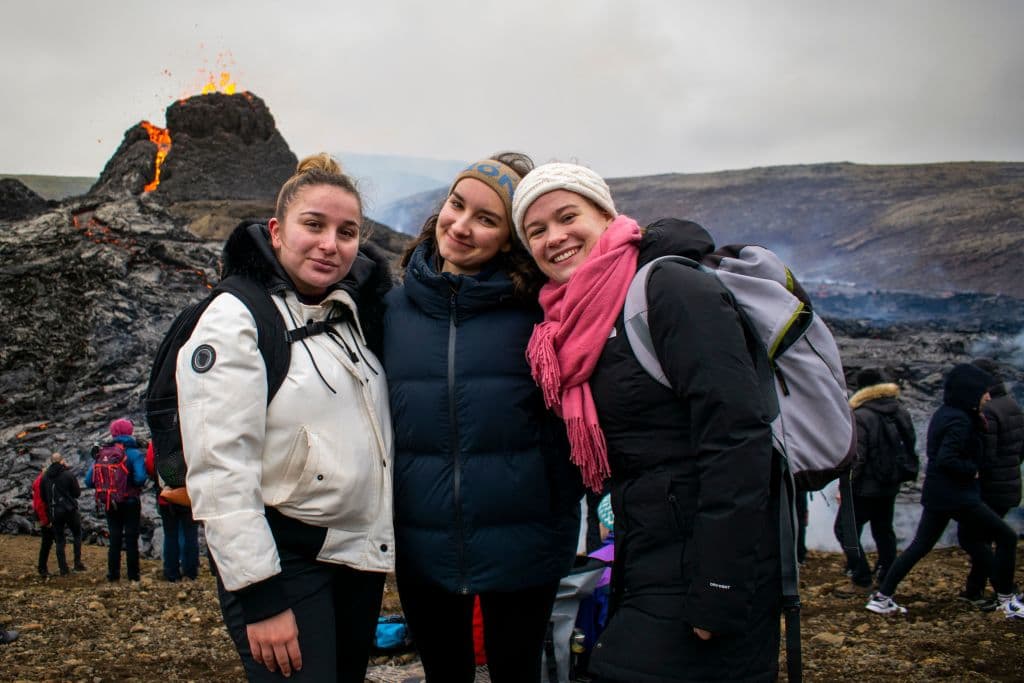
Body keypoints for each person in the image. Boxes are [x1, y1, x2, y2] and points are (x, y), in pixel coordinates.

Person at [512, 162, 781, 682]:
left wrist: (720, 585)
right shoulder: (571, 319)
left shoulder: (667, 288)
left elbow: (737, 436)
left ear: (606, 215)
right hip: (645, 557)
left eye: (567, 217)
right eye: (536, 231)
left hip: (707, 565)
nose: (554, 238)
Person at [177, 153, 395, 682]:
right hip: (285, 564)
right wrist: (259, 597)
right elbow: (220, 467)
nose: (330, 244)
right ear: (276, 231)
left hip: (354, 559)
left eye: (346, 232)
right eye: (313, 225)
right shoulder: (236, 319)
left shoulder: (349, 314)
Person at [382, 153, 582, 683]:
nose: (461, 226)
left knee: (517, 673)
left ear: (510, 240)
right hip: (423, 544)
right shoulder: (392, 311)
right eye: (457, 204)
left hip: (526, 545)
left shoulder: (542, 314)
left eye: (487, 219)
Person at [866, 363, 1023, 618]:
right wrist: (973, 470)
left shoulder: (947, 413)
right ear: (970, 392)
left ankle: (882, 597)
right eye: (983, 392)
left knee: (921, 545)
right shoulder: (960, 420)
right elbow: (946, 458)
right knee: (1006, 537)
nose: (987, 396)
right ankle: (1007, 600)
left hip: (939, 494)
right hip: (958, 496)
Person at [956, 358, 1024, 606]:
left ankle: (1003, 588)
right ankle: (975, 590)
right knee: (984, 538)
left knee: (970, 538)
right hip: (1009, 485)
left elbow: (986, 455)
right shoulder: (1011, 405)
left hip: (990, 488)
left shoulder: (989, 411)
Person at [843, 367, 917, 588]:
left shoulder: (861, 415)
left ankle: (861, 574)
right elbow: (910, 444)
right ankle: (888, 572)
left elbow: (858, 456)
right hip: (890, 483)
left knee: (845, 529)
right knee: (883, 529)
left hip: (865, 487)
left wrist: (847, 484)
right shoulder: (900, 410)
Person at [86, 418, 147, 582]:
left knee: (114, 537)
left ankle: (113, 574)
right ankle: (133, 575)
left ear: (113, 433)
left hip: (110, 500)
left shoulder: (103, 453)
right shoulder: (134, 453)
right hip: (130, 500)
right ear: (130, 432)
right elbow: (140, 478)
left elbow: (88, 481)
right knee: (131, 538)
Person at [145, 441, 199, 581]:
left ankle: (171, 572)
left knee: (170, 534)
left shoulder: (157, 439)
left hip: (166, 496)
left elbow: (150, 466)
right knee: (190, 534)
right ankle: (190, 571)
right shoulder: (189, 435)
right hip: (189, 494)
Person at [41, 452, 86, 576]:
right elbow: (77, 493)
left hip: (54, 512)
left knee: (59, 539)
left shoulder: (45, 477)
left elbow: (43, 496)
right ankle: (77, 563)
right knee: (77, 533)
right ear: (62, 461)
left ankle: (63, 568)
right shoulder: (68, 474)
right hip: (69, 510)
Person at [32, 464, 55, 577]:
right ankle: (42, 568)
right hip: (42, 515)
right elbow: (40, 504)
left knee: (47, 541)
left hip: (39, 514)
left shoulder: (39, 480)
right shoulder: (42, 481)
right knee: (46, 541)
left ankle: (42, 567)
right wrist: (46, 520)